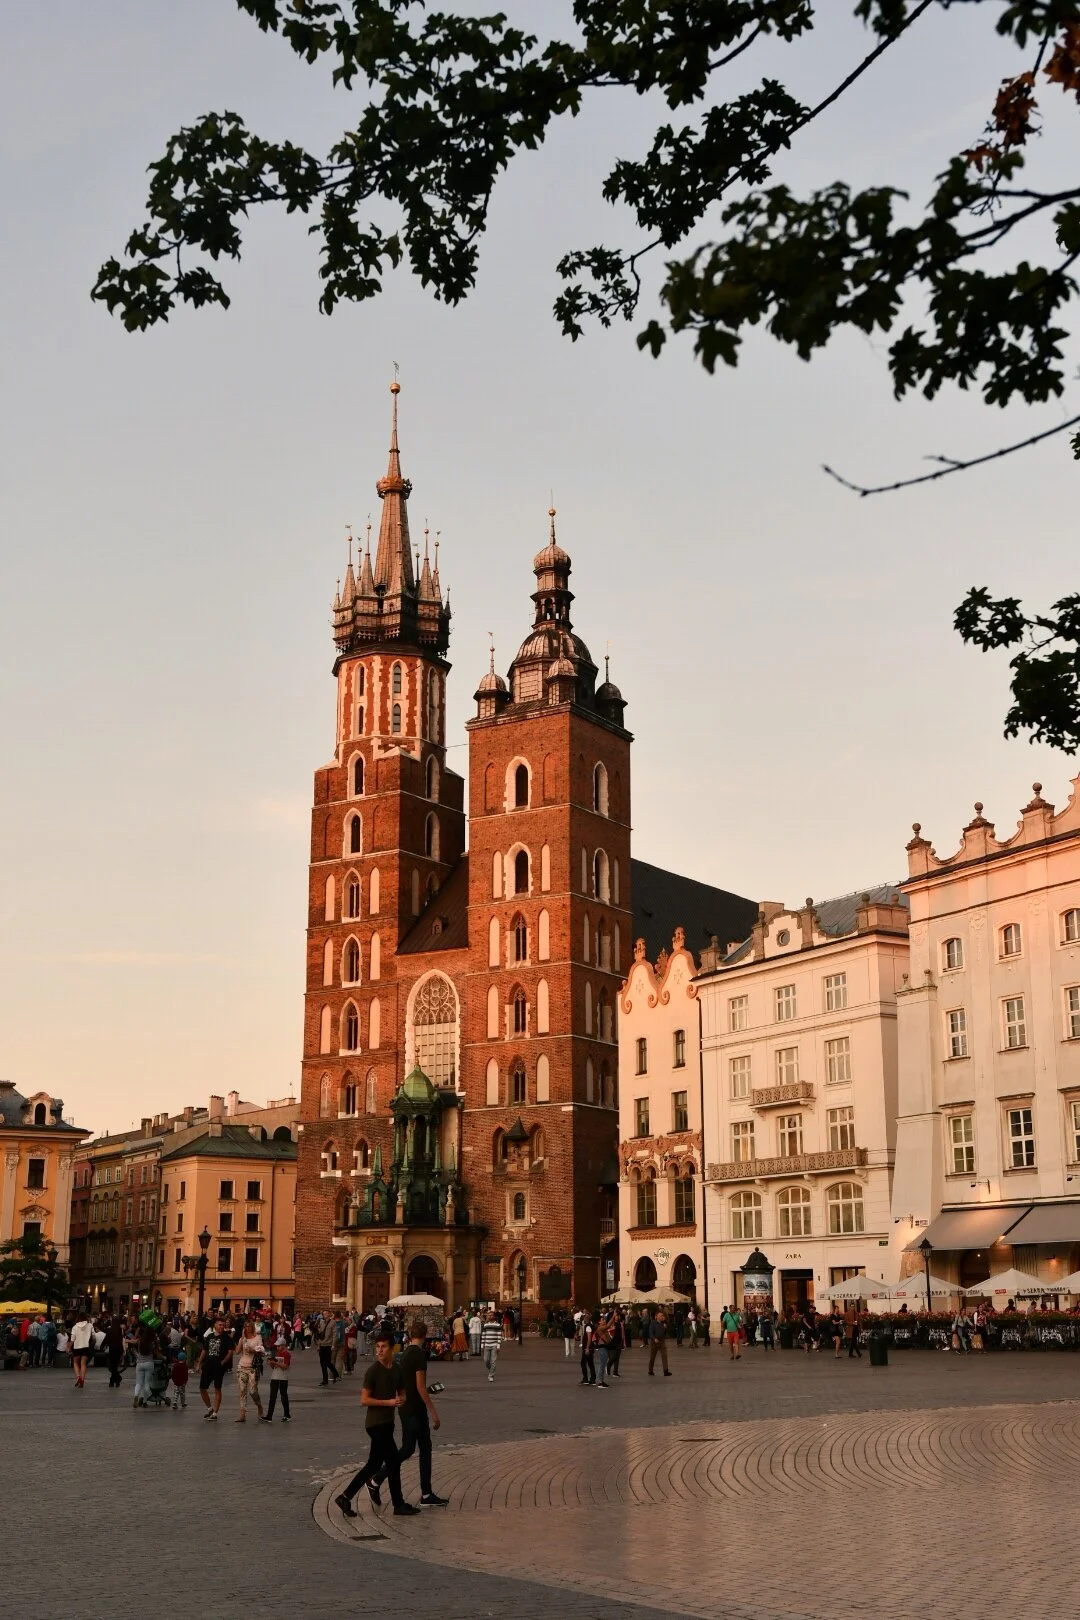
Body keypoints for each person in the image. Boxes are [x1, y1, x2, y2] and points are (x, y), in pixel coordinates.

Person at [333, 1330, 419, 1519]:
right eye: (377, 1347)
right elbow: (364, 1399)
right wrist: (387, 1403)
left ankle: (345, 1497)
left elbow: (402, 1391)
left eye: (383, 1347)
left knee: (373, 1464)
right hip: (375, 1424)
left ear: (392, 1348)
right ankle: (398, 1504)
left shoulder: (396, 1369)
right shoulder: (373, 1371)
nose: (379, 1351)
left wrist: (402, 1399)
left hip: (388, 1423)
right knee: (394, 1462)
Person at [372, 1318, 448, 1506]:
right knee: (420, 1450)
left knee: (411, 1449)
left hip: (405, 1408)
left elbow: (407, 1384)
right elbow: (420, 1387)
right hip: (416, 1410)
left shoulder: (404, 1355)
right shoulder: (419, 1355)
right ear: (424, 1335)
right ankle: (424, 1493)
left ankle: (377, 1480)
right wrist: (434, 1412)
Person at [198, 1315, 234, 1420]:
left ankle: (215, 1413)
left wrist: (223, 1362)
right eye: (220, 1324)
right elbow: (204, 1350)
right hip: (208, 1364)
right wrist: (199, 1363)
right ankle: (210, 1409)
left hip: (219, 1366)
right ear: (215, 1325)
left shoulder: (227, 1338)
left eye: (223, 1325)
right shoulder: (209, 1336)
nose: (222, 1327)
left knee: (217, 1388)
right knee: (202, 1388)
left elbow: (230, 1352)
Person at [234, 1316, 266, 1422]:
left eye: (249, 1326)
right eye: (246, 1326)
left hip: (253, 1367)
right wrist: (242, 1339)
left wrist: (252, 1350)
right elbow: (237, 1351)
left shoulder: (258, 1338)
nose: (247, 1328)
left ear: (252, 1327)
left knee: (252, 1391)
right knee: (242, 1390)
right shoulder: (242, 1338)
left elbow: (261, 1352)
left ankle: (259, 1405)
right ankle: (242, 1414)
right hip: (242, 1366)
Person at [264, 1337, 292, 1421]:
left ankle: (287, 1415)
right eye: (277, 1346)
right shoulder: (276, 1354)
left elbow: (285, 1366)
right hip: (275, 1377)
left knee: (284, 1396)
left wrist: (275, 1362)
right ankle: (269, 1416)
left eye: (279, 1346)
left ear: (283, 1345)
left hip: (283, 1378)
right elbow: (274, 1367)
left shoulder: (287, 1354)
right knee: (272, 1397)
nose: (277, 1348)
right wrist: (270, 1363)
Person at [132, 1322, 158, 1408]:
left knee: (138, 1383)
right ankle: (145, 1401)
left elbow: (134, 1344)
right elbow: (156, 1352)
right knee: (147, 1383)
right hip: (149, 1363)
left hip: (139, 1363)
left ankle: (136, 1395)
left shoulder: (140, 1341)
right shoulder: (152, 1343)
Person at [70, 1310, 94, 1389]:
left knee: (75, 1362)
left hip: (77, 1347)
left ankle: (78, 1377)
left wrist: (69, 1346)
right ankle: (82, 1380)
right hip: (86, 1346)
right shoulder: (90, 1325)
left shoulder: (75, 1327)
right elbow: (93, 1336)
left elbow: (72, 1339)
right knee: (83, 1363)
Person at [480, 1308, 503, 1381]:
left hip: (494, 1345)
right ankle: (491, 1370)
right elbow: (483, 1335)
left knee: (493, 1361)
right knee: (486, 1361)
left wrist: (498, 1345)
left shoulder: (497, 1325)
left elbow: (499, 1336)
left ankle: (491, 1375)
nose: (490, 1317)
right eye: (489, 1315)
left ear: (494, 1316)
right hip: (486, 1344)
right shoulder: (485, 1325)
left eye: (491, 1315)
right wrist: (482, 1345)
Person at [647, 1309, 671, 1376]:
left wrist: (666, 1328)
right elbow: (650, 1333)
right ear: (656, 1316)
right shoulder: (652, 1323)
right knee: (652, 1357)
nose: (661, 1317)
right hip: (654, 1342)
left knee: (664, 1356)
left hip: (662, 1342)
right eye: (660, 1316)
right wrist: (654, 1338)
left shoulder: (664, 1323)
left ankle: (666, 1371)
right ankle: (650, 1370)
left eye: (662, 1316)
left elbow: (666, 1333)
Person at [317, 1313, 339, 1385]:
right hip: (322, 1344)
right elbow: (320, 1334)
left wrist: (333, 1344)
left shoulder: (333, 1322)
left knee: (327, 1362)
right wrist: (318, 1345)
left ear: (329, 1315)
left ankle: (336, 1374)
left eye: (326, 1313)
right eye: (324, 1313)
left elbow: (335, 1334)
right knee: (322, 1363)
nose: (325, 1314)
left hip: (328, 1345)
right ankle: (325, 1380)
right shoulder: (321, 1322)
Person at [593, 1313, 612, 1387]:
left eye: (604, 1320)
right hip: (602, 1348)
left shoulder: (603, 1328)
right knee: (602, 1365)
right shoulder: (600, 1328)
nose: (604, 1321)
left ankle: (601, 1381)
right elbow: (608, 1325)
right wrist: (613, 1316)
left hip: (604, 1348)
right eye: (602, 1320)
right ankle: (600, 1382)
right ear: (599, 1322)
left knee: (603, 1365)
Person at [579, 1310, 595, 1385]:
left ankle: (586, 1379)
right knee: (590, 1363)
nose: (583, 1320)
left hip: (587, 1348)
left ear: (586, 1319)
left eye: (584, 1318)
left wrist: (587, 1348)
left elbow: (589, 1338)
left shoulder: (588, 1326)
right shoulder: (590, 1325)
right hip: (590, 1347)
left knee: (583, 1363)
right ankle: (592, 1379)